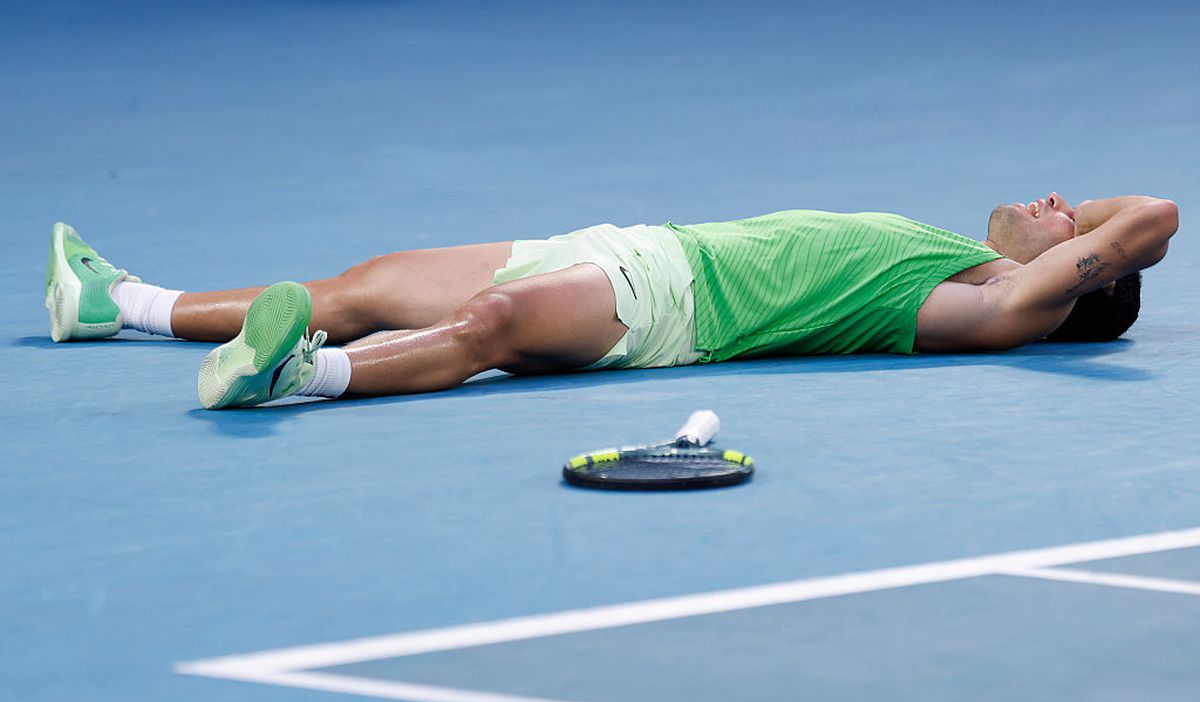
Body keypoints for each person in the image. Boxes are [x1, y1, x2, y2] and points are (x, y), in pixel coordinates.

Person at [43, 193, 1178, 409]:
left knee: (483, 332)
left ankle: (295, 378)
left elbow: (1156, 215)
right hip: (635, 244)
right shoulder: (947, 249)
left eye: (1067, 219)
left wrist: (1092, 255)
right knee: (355, 286)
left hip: (675, 308)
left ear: (1077, 282)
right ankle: (120, 302)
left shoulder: (993, 308)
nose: (1053, 198)